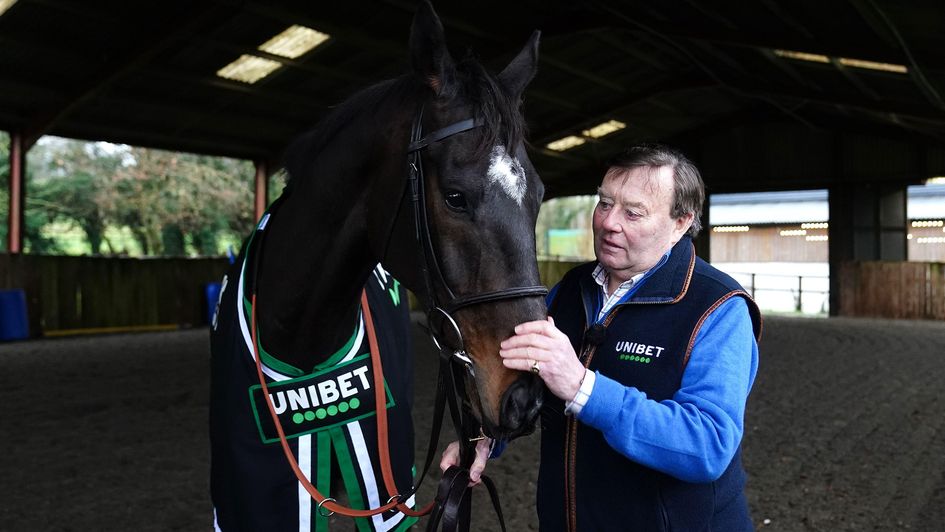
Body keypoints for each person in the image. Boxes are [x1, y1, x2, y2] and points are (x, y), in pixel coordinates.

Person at [498, 143, 762, 531]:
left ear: (680, 222)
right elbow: (529, 382)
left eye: (633, 213)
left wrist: (582, 387)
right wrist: (488, 439)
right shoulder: (570, 290)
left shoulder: (718, 308)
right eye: (604, 203)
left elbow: (708, 444)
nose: (609, 222)